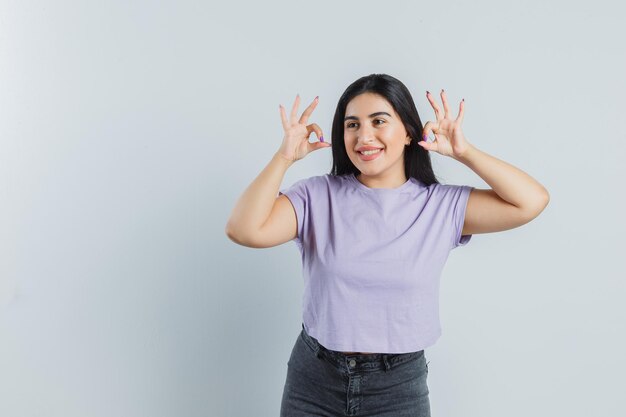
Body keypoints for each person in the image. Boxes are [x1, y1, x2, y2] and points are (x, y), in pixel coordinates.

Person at [225, 73, 549, 416]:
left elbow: (530, 201)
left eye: (378, 121)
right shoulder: (316, 196)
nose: (364, 136)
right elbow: (244, 230)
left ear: (409, 131)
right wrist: (284, 158)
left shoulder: (440, 206)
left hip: (397, 387)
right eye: (352, 124)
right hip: (315, 379)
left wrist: (464, 152)